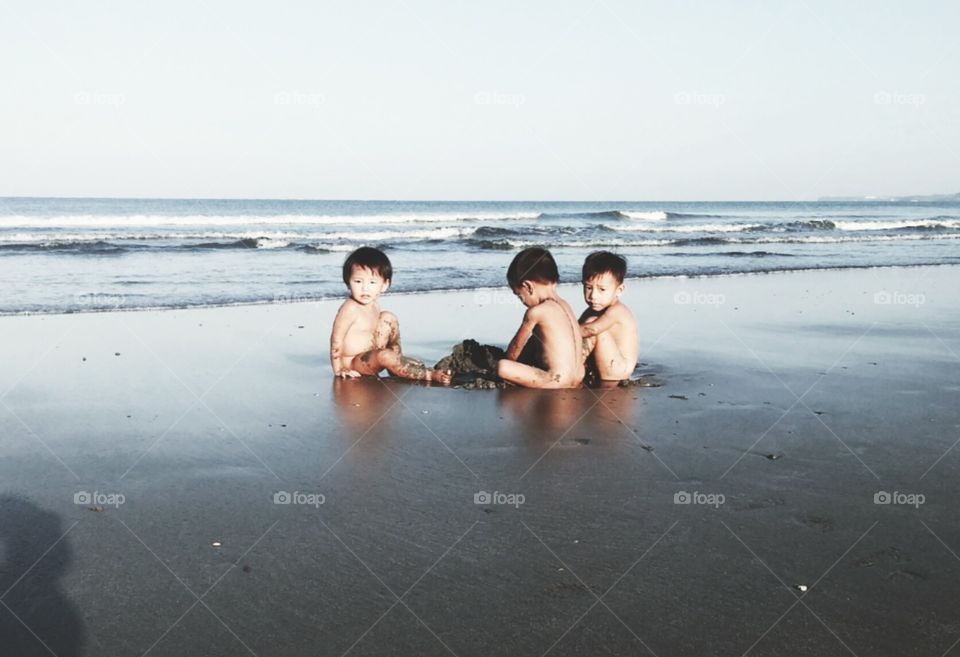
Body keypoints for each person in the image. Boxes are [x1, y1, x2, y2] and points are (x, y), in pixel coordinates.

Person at [330, 247, 451, 384]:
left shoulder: (374, 305)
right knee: (384, 355)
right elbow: (336, 339)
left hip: (372, 354)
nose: (365, 288)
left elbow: (377, 333)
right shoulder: (349, 308)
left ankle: (397, 360)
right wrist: (339, 368)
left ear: (384, 285)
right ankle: (429, 375)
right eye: (358, 282)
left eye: (372, 282)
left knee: (388, 317)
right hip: (355, 362)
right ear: (348, 282)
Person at [496, 247, 585, 388]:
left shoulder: (536, 312)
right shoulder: (565, 305)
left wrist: (507, 360)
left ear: (528, 287)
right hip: (579, 376)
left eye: (519, 295)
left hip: (556, 380)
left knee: (503, 366)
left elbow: (515, 349)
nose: (522, 301)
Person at [579, 251, 638, 383]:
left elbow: (591, 330)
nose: (593, 295)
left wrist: (560, 331)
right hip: (606, 364)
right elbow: (579, 329)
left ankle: (574, 368)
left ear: (619, 290)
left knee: (591, 325)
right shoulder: (591, 310)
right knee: (585, 325)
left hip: (618, 371)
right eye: (588, 287)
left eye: (602, 289)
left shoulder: (617, 311)